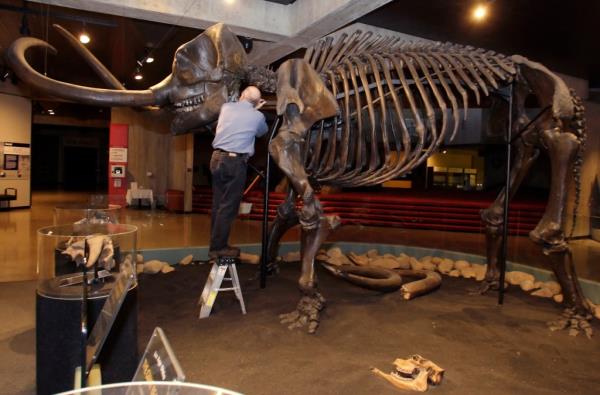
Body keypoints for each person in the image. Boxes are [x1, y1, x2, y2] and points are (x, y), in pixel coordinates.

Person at [209, 86, 268, 259]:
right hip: (234, 163)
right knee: (228, 207)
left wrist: (251, 107)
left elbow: (237, 117)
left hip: (216, 158)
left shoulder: (226, 107)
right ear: (257, 102)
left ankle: (215, 246)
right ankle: (218, 248)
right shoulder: (258, 116)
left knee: (218, 204)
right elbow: (262, 132)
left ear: (242, 95)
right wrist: (256, 110)